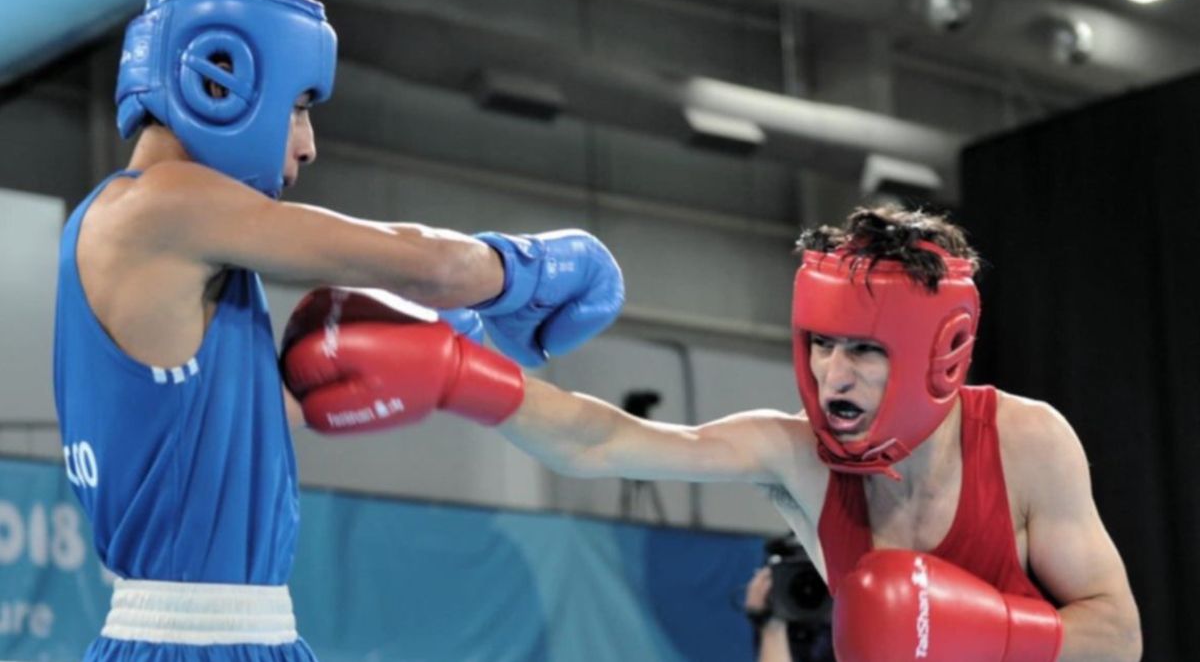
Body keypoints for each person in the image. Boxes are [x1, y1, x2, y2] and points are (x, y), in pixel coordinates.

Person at [283, 206, 1143, 661]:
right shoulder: (798, 455)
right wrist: (459, 378)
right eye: (822, 345)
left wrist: (985, 634)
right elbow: (601, 443)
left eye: (866, 352)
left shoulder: (1028, 441)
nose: (833, 378)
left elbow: (1119, 635)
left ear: (938, 351)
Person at [52, 0, 623, 660]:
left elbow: (199, 440)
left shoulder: (172, 248)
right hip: (192, 637)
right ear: (219, 78)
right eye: (298, 107)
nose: (308, 144)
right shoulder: (163, 204)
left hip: (240, 631)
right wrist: (537, 266)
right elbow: (429, 265)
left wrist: (345, 378)